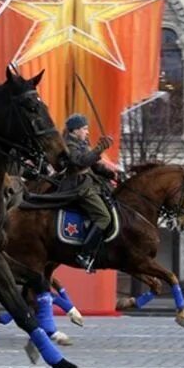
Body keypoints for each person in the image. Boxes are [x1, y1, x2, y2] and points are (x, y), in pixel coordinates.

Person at [62, 113, 116, 272]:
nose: (87, 132)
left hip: (91, 183)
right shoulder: (69, 145)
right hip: (79, 187)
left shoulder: (82, 143)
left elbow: (94, 165)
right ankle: (84, 254)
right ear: (75, 130)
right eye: (84, 129)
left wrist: (111, 173)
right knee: (104, 217)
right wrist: (99, 149)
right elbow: (80, 162)